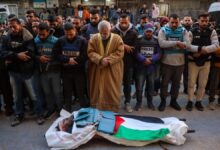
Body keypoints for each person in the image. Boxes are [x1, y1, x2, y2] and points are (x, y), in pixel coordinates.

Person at [0, 17, 44, 126]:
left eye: (14, 26)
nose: (12, 29)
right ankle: (19, 115)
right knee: (17, 96)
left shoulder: (28, 37)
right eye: (10, 27)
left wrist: (11, 56)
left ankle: (39, 114)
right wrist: (16, 55)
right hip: (14, 72)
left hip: (28, 71)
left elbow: (29, 53)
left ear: (20, 25)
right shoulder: (6, 38)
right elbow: (2, 53)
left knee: (33, 95)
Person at [158, 14, 192, 111]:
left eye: (176, 22)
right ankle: (163, 101)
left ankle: (173, 101)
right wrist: (177, 43)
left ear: (179, 21)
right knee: (164, 83)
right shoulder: (163, 30)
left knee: (176, 84)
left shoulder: (183, 30)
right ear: (169, 21)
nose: (174, 24)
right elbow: (162, 43)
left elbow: (188, 45)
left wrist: (172, 44)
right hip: (166, 62)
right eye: (172, 22)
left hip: (180, 63)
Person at [87, 20, 124, 112]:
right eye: (101, 33)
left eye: (106, 33)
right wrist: (100, 59)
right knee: (97, 88)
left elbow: (120, 52)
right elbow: (90, 52)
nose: (104, 35)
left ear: (110, 29)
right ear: (98, 31)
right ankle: (97, 107)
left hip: (113, 69)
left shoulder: (117, 38)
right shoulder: (94, 38)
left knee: (112, 88)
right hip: (97, 69)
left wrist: (108, 60)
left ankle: (112, 108)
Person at [186, 13, 219, 111]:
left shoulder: (212, 31)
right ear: (198, 21)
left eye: (206, 21)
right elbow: (187, 46)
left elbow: (216, 45)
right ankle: (190, 101)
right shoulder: (192, 31)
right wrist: (199, 49)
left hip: (206, 62)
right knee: (191, 83)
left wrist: (204, 50)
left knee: (202, 84)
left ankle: (198, 101)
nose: (204, 23)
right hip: (193, 61)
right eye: (202, 21)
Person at [53, 23, 89, 112]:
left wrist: (74, 60)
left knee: (80, 92)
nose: (69, 36)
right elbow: (56, 54)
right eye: (66, 34)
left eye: (71, 34)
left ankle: (83, 110)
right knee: (67, 92)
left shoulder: (82, 41)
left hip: (79, 71)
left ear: (75, 31)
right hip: (66, 71)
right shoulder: (60, 41)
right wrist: (67, 60)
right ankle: (67, 110)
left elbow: (85, 55)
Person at [34, 23, 63, 118]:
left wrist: (52, 58)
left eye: (43, 34)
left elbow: (61, 55)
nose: (41, 36)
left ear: (48, 32)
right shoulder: (35, 40)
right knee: (47, 92)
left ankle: (60, 109)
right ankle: (51, 108)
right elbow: (32, 55)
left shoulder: (56, 41)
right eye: (39, 34)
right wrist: (39, 58)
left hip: (54, 70)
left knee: (57, 91)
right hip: (42, 71)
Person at [112, 14, 138, 113]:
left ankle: (127, 102)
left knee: (127, 84)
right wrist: (124, 45)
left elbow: (134, 49)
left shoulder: (134, 33)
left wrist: (120, 45)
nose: (123, 24)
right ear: (119, 21)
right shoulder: (113, 31)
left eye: (125, 22)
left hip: (129, 63)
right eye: (121, 22)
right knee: (116, 84)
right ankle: (115, 102)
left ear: (129, 21)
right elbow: (111, 46)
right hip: (116, 62)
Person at [134, 23, 161, 111]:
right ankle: (138, 103)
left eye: (150, 32)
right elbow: (135, 52)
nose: (149, 33)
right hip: (141, 67)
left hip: (151, 67)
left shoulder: (156, 40)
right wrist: (143, 59)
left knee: (151, 86)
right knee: (139, 87)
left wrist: (151, 60)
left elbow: (159, 53)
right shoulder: (139, 40)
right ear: (144, 31)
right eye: (147, 32)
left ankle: (150, 102)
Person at [182, 16, 193, 94]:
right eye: (186, 20)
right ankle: (185, 88)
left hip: (192, 53)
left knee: (190, 73)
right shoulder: (180, 30)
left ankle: (189, 88)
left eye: (189, 20)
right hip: (183, 53)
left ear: (191, 21)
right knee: (183, 73)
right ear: (183, 21)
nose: (187, 21)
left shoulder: (194, 30)